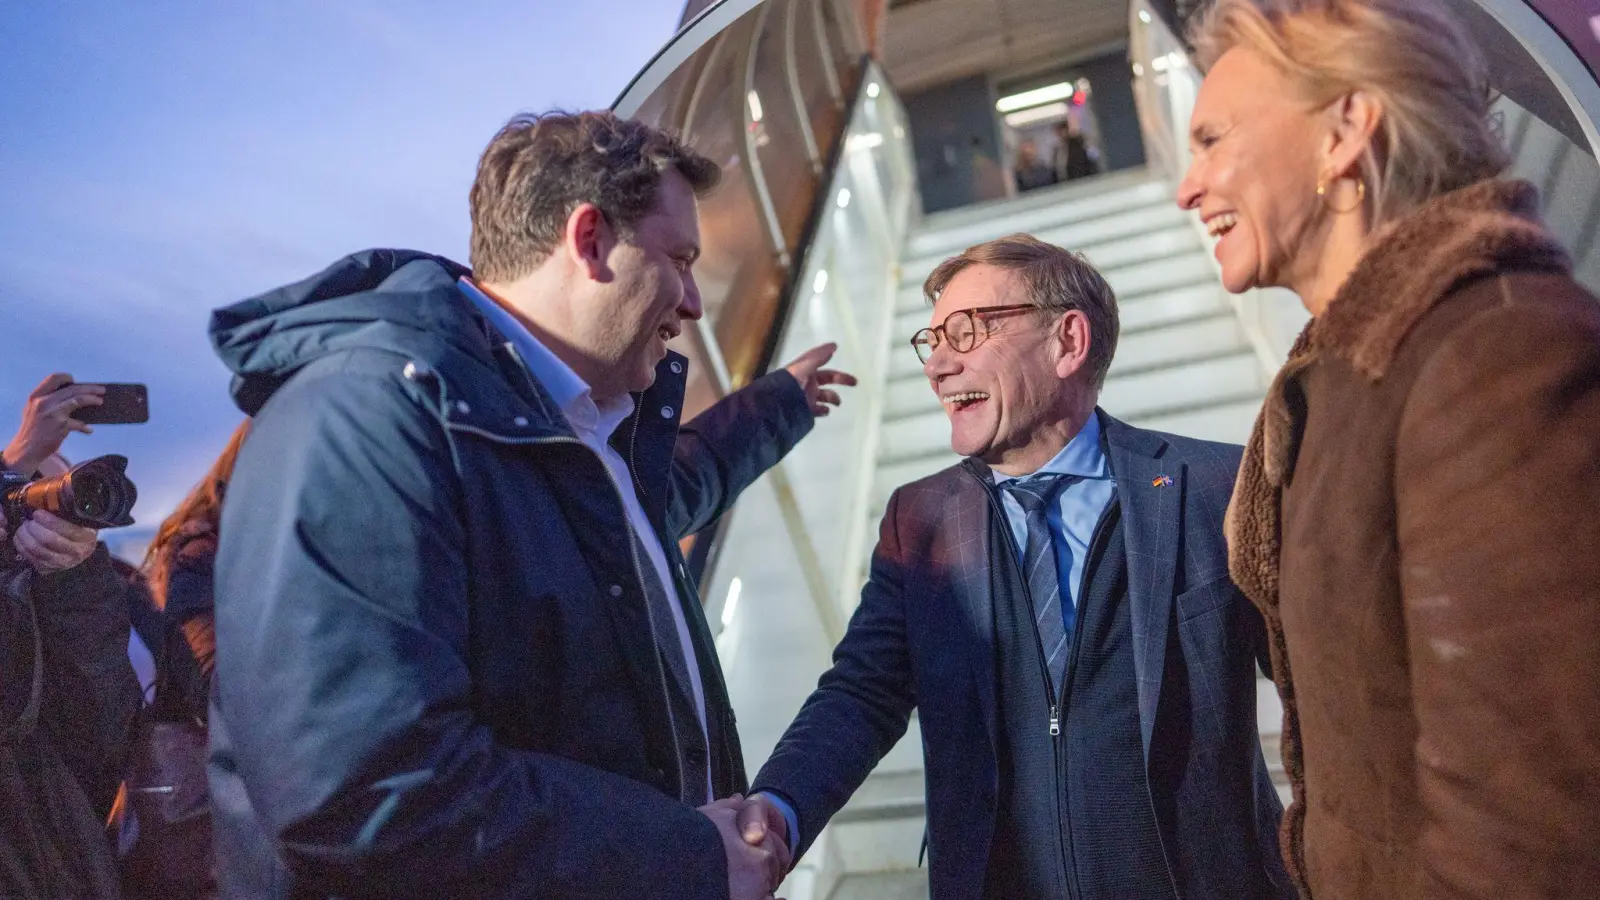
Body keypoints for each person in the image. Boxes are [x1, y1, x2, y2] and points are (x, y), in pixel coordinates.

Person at [206, 110, 853, 900]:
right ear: (589, 240)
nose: (693, 301)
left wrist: (778, 405)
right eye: (680, 260)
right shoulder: (363, 418)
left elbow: (660, 506)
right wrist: (683, 856)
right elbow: (362, 789)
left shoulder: (559, 429)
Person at [1177, 0, 1600, 896]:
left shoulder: (1496, 357)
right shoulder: (1350, 381)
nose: (1189, 186)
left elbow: (1532, 837)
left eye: (1213, 140)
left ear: (1344, 131)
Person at [738, 235, 1291, 899]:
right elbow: (862, 694)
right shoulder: (920, 522)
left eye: (966, 332)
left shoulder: (1218, 486)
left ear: (1068, 342)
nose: (937, 366)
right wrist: (778, 810)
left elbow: (1321, 694)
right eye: (931, 341)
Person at [1, 376, 141, 900]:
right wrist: (17, 459)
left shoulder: (90, 585)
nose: (55, 504)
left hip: (60, 858)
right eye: (29, 493)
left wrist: (75, 580)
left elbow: (104, 734)